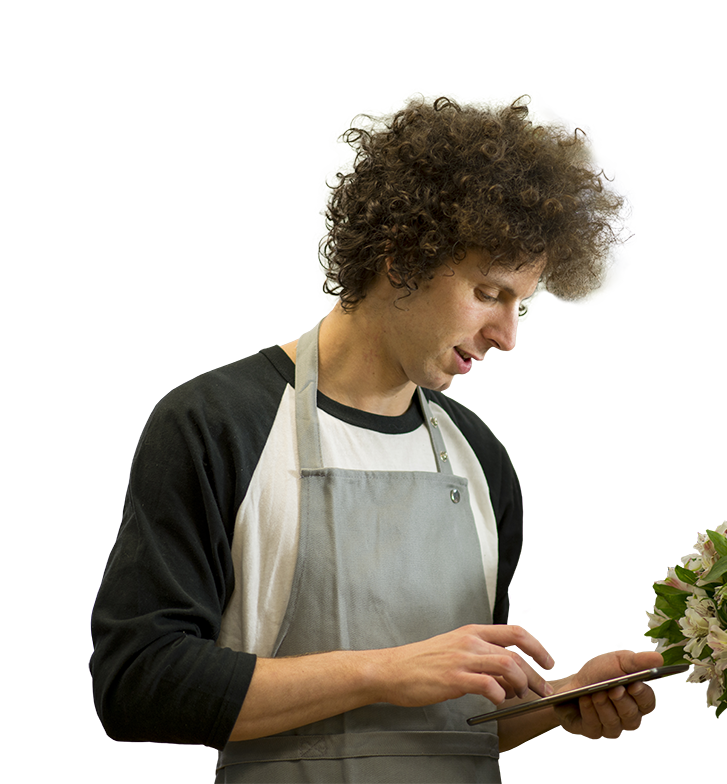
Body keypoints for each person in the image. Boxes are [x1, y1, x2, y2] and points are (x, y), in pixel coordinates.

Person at [90, 95, 664, 782]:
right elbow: (137, 684)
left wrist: (554, 704)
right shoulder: (217, 426)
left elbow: (450, 717)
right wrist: (384, 671)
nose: (508, 336)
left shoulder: (481, 461)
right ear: (403, 257)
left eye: (522, 304)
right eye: (488, 292)